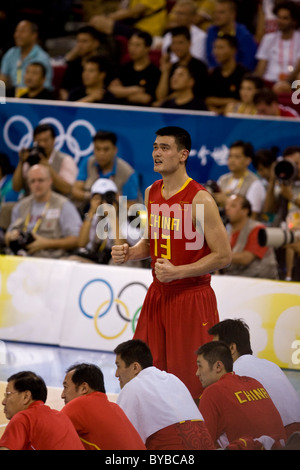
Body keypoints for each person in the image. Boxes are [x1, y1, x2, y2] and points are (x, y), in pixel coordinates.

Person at [111, 126, 232, 400]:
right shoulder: (151, 192)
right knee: (144, 371)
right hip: (158, 295)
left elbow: (223, 256)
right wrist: (130, 253)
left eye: (164, 147)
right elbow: (150, 243)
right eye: (155, 147)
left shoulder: (200, 198)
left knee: (193, 379)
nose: (156, 152)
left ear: (182, 155)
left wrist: (179, 272)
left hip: (192, 298)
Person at [114, 339, 215, 449]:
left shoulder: (132, 386)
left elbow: (121, 440)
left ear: (135, 367)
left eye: (118, 366)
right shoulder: (174, 379)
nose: (116, 374)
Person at [208, 318, 300, 438]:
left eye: (216, 348)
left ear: (232, 348)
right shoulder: (272, 365)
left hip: (279, 437)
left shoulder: (232, 373)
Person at [196, 341, 287, 449]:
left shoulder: (212, 392)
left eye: (200, 366)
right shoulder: (255, 383)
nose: (197, 373)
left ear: (218, 366)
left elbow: (201, 445)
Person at [61, 362, 146, 450]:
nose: (62, 395)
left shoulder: (79, 405)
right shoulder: (116, 408)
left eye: (65, 387)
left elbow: (52, 432)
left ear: (84, 388)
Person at [5, 164, 82, 259]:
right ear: (28, 185)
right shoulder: (20, 206)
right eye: (33, 181)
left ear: (50, 181)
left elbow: (77, 240)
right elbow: (7, 236)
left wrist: (46, 243)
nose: (36, 185)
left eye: (40, 180)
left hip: (51, 260)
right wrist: (11, 236)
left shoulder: (64, 206)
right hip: (22, 258)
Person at [0, 371, 84, 450]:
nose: (3, 402)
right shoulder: (62, 417)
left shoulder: (24, 418)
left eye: (8, 394)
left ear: (26, 396)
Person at [72, 130, 139, 212]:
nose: (101, 153)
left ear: (115, 150)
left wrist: (114, 201)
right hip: (90, 214)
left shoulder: (128, 173)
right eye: (98, 149)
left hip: (118, 218)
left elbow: (133, 206)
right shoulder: (88, 162)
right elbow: (75, 191)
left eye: (106, 149)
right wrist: (94, 197)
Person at [12, 123, 78, 197]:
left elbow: (67, 189)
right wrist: (21, 162)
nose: (42, 144)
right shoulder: (30, 158)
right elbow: (16, 187)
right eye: (39, 141)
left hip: (55, 205)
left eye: (46, 140)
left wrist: (47, 167)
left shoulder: (65, 160)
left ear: (54, 140)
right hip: (30, 203)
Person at [69, 178, 125, 264]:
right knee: (72, 260)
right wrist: (91, 212)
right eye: (99, 198)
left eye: (108, 197)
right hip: (97, 260)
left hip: (117, 261)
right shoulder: (94, 218)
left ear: (117, 197)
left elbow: (122, 250)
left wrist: (112, 216)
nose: (103, 202)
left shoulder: (127, 217)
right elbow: (81, 244)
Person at [223, 194, 279, 278]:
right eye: (226, 205)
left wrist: (218, 255)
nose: (227, 208)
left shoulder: (259, 229)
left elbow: (246, 258)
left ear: (245, 211)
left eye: (233, 206)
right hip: (235, 279)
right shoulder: (226, 231)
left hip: (260, 282)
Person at [59, 25, 118, 101]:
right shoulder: (73, 64)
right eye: (78, 41)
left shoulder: (107, 64)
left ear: (96, 43)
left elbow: (114, 87)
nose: (80, 45)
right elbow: (64, 89)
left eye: (84, 41)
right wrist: (70, 102)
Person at [156, 26, 209, 104]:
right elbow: (160, 97)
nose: (176, 47)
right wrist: (165, 71)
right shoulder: (171, 66)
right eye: (174, 43)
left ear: (190, 44)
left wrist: (165, 101)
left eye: (180, 43)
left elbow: (197, 94)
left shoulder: (199, 67)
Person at [214, 140, 266, 218]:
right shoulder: (222, 179)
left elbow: (251, 216)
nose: (232, 160)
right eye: (230, 156)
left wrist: (226, 201)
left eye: (237, 157)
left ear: (248, 160)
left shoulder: (255, 184)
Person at [0, 20, 53, 97]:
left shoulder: (43, 57)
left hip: (34, 97)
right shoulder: (11, 53)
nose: (17, 35)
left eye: (22, 31)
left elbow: (46, 86)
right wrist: (2, 101)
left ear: (34, 35)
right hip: (13, 95)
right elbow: (2, 80)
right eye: (16, 31)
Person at [108, 30, 161, 106]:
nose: (132, 49)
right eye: (130, 44)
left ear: (147, 48)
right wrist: (135, 89)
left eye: (137, 45)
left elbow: (146, 98)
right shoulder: (125, 68)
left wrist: (123, 93)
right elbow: (112, 91)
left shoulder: (154, 72)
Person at [255, 1, 300, 89]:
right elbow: (261, 67)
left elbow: (298, 66)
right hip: (269, 81)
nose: (280, 21)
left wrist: (286, 82)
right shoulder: (268, 38)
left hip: (291, 82)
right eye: (278, 17)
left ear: (294, 21)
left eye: (285, 18)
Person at [205, 0, 257, 71]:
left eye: (221, 12)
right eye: (215, 12)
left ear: (233, 14)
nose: (217, 16)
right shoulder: (212, 31)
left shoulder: (244, 35)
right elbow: (210, 57)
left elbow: (248, 63)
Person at [205, 34, 249, 114]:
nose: (215, 52)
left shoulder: (244, 75)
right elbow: (207, 99)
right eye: (215, 47)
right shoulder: (213, 73)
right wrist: (230, 101)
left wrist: (222, 108)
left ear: (233, 50)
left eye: (220, 48)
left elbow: (243, 102)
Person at [90, 0, 167, 39]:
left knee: (98, 22)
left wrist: (105, 18)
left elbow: (132, 12)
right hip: (133, 26)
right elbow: (121, 10)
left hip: (146, 33)